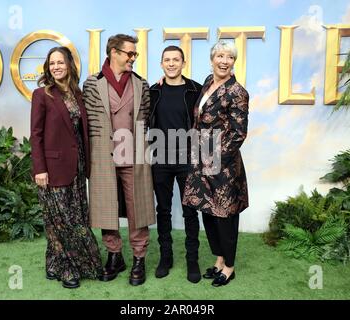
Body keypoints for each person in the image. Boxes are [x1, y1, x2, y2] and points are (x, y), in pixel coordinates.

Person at [82, 34, 155, 286]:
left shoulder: (141, 84)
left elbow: (144, 119)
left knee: (139, 209)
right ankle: (114, 255)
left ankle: (139, 258)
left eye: (135, 54)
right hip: (103, 156)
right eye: (129, 53)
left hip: (134, 156)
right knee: (106, 208)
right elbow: (90, 122)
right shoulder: (92, 83)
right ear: (113, 52)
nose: (133, 58)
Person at [30, 46, 103, 289]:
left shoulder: (77, 93)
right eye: (52, 63)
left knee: (75, 217)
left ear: (69, 65)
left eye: (60, 62)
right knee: (62, 221)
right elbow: (36, 134)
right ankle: (68, 268)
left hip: (78, 167)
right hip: (52, 168)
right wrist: (40, 168)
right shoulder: (42, 94)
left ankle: (52, 263)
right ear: (48, 68)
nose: (56, 67)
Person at [182, 40, 249, 287]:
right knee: (209, 213)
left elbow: (238, 133)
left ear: (234, 62)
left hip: (223, 166)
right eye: (220, 56)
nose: (224, 61)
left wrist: (215, 159)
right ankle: (219, 260)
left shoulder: (238, 92)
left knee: (225, 217)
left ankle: (229, 267)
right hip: (200, 162)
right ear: (212, 59)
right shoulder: (208, 82)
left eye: (229, 57)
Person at [149, 46, 203, 283]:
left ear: (184, 63)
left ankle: (193, 260)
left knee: (191, 210)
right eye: (167, 60)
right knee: (163, 210)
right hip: (160, 158)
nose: (171, 64)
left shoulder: (195, 90)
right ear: (161, 64)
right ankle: (166, 257)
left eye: (176, 60)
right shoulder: (153, 91)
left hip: (187, 160)